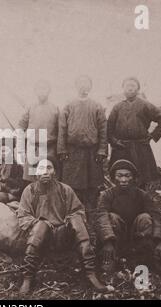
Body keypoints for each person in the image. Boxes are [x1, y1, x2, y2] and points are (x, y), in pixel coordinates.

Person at [16, 158, 107, 295]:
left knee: (76, 219)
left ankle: (90, 273)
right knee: (41, 225)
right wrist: (40, 223)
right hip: (40, 239)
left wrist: (68, 220)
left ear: (55, 172)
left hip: (63, 235)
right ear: (36, 173)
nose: (45, 172)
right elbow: (23, 217)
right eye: (41, 169)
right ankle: (28, 277)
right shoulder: (30, 191)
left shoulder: (65, 190)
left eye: (49, 168)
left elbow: (78, 211)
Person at [95, 160, 161, 272]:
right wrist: (108, 241)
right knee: (112, 217)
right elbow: (101, 218)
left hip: (136, 237)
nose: (123, 180)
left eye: (127, 176)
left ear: (133, 178)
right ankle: (112, 258)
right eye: (119, 176)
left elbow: (157, 217)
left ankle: (144, 257)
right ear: (114, 178)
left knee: (145, 218)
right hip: (116, 238)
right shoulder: (106, 195)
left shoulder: (142, 195)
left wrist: (159, 242)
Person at [58, 75, 107, 211]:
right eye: (80, 83)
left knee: (93, 181)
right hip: (73, 150)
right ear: (76, 86)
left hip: (92, 150)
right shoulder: (69, 105)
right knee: (72, 181)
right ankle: (74, 209)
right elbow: (62, 128)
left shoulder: (96, 106)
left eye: (86, 83)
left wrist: (102, 150)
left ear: (90, 87)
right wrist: (62, 150)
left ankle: (91, 209)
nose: (83, 86)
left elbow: (103, 129)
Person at [107, 77, 161, 187]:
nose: (130, 89)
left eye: (133, 86)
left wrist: (152, 136)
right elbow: (109, 128)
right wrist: (115, 142)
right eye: (127, 86)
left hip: (140, 148)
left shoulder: (145, 104)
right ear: (123, 89)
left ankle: (139, 201)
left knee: (140, 180)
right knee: (121, 178)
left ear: (138, 89)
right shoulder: (117, 107)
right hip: (121, 148)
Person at [18, 81, 59, 184]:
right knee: (32, 179)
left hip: (49, 149)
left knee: (48, 177)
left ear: (49, 91)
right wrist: (20, 149)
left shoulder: (55, 109)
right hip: (33, 148)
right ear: (35, 91)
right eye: (39, 89)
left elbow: (60, 130)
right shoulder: (30, 107)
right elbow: (20, 127)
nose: (42, 92)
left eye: (44, 89)